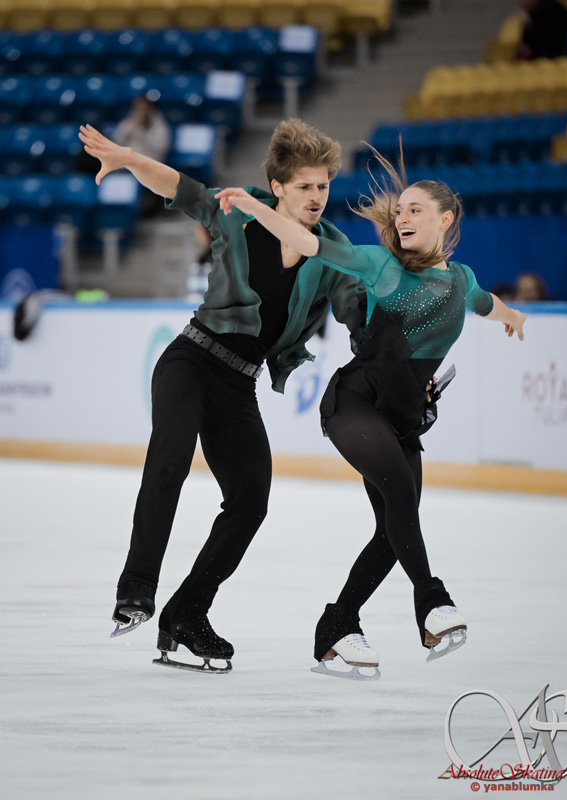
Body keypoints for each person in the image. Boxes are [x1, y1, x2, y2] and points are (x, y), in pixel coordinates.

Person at [216, 147, 526, 679]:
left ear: (446, 219)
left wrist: (512, 316)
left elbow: (484, 303)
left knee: (392, 530)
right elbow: (309, 243)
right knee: (400, 492)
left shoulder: (462, 280)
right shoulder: (381, 265)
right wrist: (257, 207)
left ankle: (337, 626)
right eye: (399, 210)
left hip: (403, 418)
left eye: (415, 210)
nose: (402, 217)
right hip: (355, 404)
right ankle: (431, 600)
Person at [78, 119, 366, 673]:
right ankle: (136, 588)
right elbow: (178, 186)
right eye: (304, 186)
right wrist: (130, 159)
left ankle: (186, 613)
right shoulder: (237, 210)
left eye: (323, 186)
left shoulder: (332, 250)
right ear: (277, 187)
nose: (316, 196)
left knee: (251, 501)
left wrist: (397, 352)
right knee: (170, 458)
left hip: (239, 384)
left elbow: (360, 316)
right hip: (191, 360)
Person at [113, 94, 172, 217]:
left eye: (143, 108)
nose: (140, 112)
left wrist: (141, 133)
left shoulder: (160, 126)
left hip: (149, 163)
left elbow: (160, 148)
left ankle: (144, 209)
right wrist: (131, 128)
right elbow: (117, 141)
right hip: (126, 165)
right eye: (138, 108)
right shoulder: (129, 122)